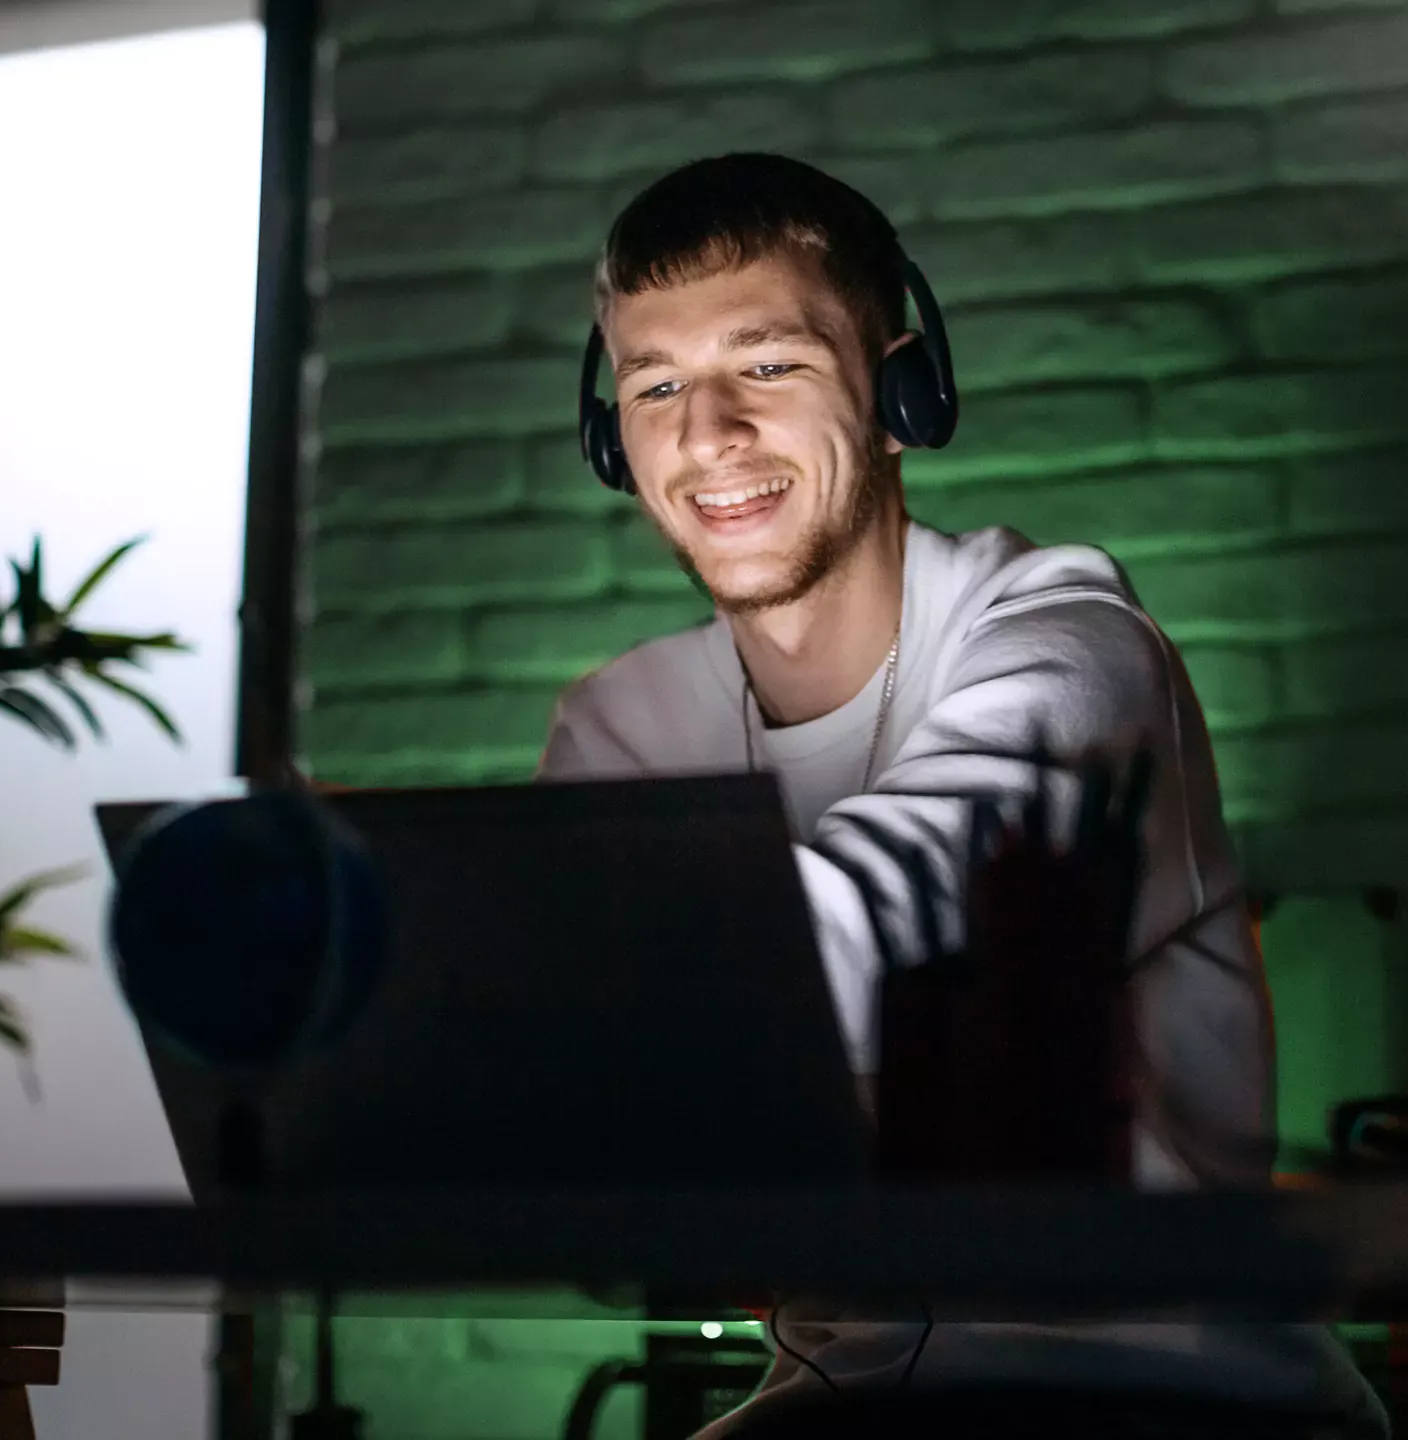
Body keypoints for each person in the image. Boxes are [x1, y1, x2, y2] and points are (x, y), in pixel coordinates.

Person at [534, 153, 1389, 1438]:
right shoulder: (620, 723)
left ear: (900, 393)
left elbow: (912, 923)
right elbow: (611, 1162)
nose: (706, 434)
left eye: (766, 364)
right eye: (655, 385)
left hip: (1175, 1407)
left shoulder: (1072, 643)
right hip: (845, 1400)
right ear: (614, 437)